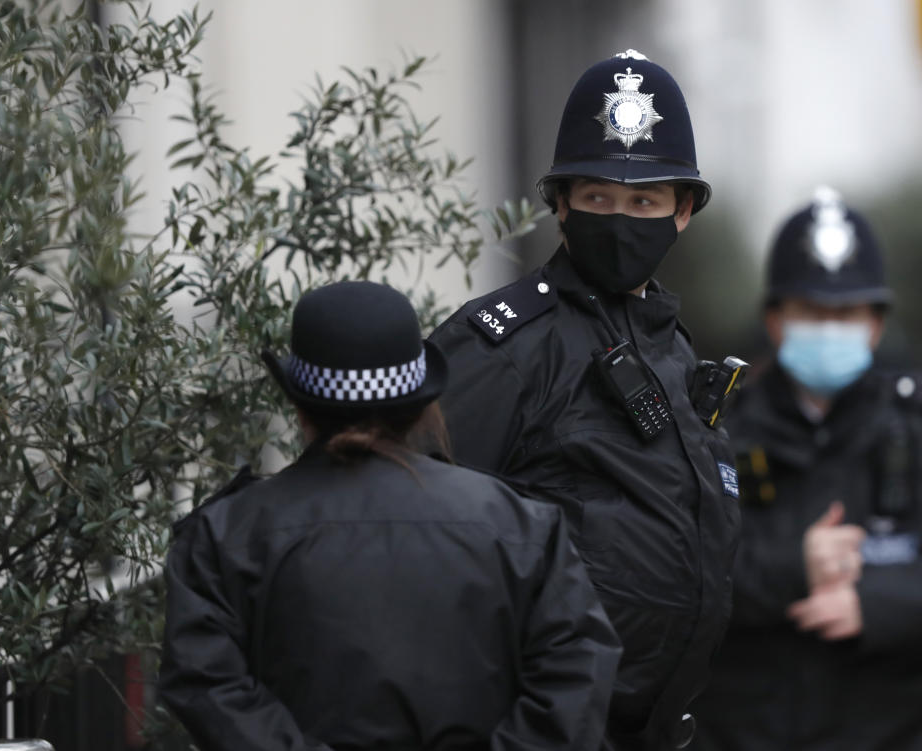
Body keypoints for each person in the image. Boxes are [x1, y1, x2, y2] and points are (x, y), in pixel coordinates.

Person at [430, 50, 743, 750]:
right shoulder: (503, 345)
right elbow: (414, 528)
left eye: (644, 202)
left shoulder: (672, 346)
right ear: (560, 205)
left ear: (683, 210)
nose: (621, 219)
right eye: (598, 198)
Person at [158, 280, 622, 751]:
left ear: (299, 406)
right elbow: (575, 672)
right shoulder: (520, 527)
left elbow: (206, 685)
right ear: (424, 404)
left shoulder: (226, 534)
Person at [690, 187, 922, 751]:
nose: (830, 327)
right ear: (775, 321)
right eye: (812, 312)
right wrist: (793, 564)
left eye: (845, 314)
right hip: (744, 731)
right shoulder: (715, 431)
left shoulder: (912, 426)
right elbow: (679, 575)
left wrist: (880, 604)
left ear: (875, 325)